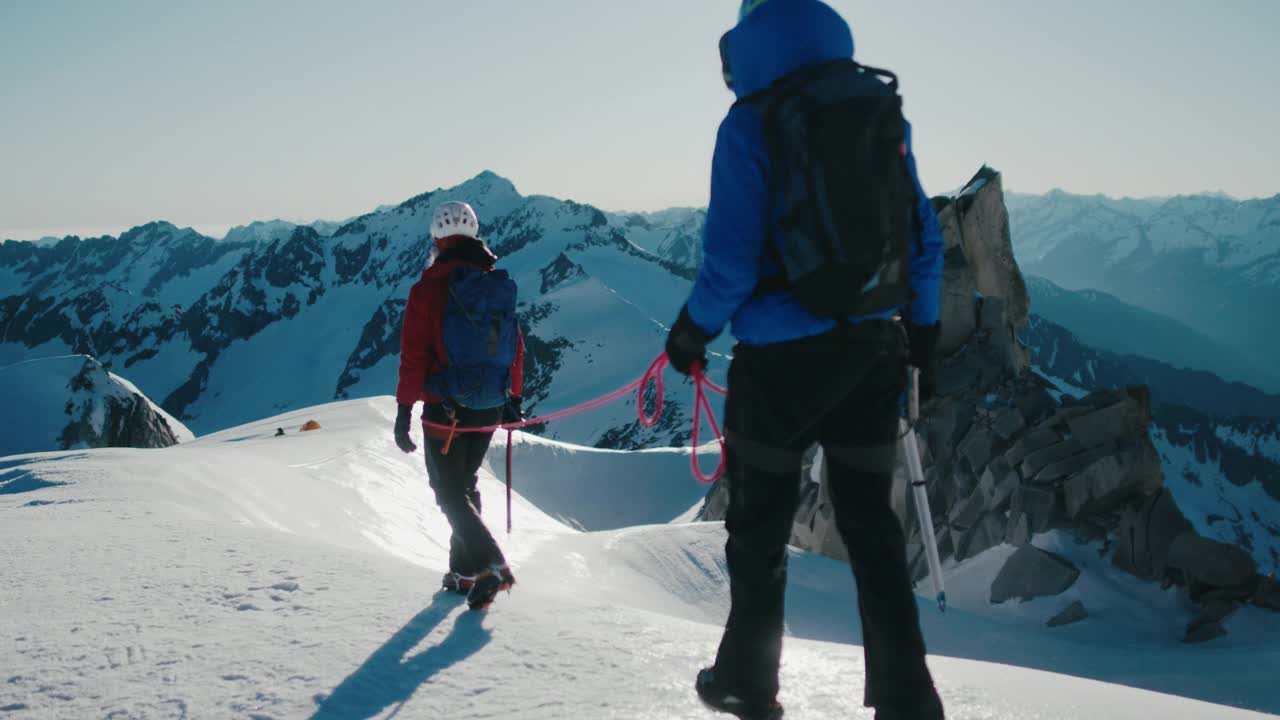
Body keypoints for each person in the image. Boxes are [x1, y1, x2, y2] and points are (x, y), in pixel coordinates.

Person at [664, 1, 945, 718]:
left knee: (759, 532)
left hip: (781, 364)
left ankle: (749, 685)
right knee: (873, 534)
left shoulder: (750, 120)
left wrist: (692, 332)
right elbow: (924, 237)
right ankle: (908, 703)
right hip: (874, 351)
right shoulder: (877, 107)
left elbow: (728, 264)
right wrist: (925, 333)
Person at [394, 200, 525, 611]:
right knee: (465, 485)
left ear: (436, 239)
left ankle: (491, 564)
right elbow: (515, 347)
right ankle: (463, 574)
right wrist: (513, 399)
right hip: (488, 406)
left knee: (448, 492)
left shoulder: (428, 288)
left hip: (444, 410)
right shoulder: (492, 284)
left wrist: (403, 411)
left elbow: (413, 355)